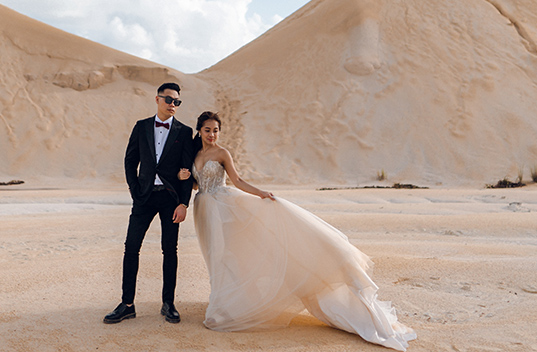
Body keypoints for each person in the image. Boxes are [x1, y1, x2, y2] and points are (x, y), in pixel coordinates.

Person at [178, 111, 417, 350]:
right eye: (208, 130)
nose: (212, 135)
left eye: (216, 130)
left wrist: (261, 193)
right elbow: (198, 184)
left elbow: (237, 180)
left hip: (225, 207)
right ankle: (222, 301)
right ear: (199, 130)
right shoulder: (195, 153)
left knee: (228, 253)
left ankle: (223, 308)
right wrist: (186, 177)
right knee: (215, 256)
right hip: (204, 210)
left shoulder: (222, 153)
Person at [103, 83, 196, 325]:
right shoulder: (142, 126)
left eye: (177, 101)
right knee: (131, 248)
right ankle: (127, 304)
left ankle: (168, 303)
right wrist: (135, 190)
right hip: (143, 197)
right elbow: (130, 160)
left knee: (170, 250)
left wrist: (184, 203)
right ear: (157, 99)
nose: (172, 104)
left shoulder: (184, 132)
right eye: (168, 99)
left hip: (170, 199)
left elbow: (187, 169)